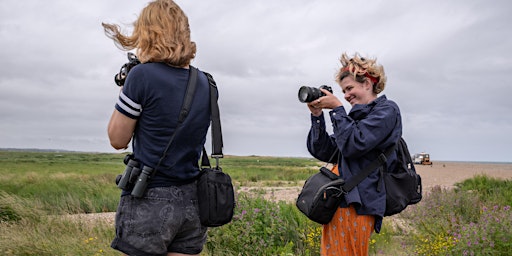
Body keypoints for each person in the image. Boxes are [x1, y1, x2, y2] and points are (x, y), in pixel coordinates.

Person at [103, 1, 213, 255]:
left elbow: (117, 139)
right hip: (193, 201)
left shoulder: (141, 76)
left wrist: (126, 89)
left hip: (149, 198)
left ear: (148, 32)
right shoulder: (207, 83)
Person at [306, 52, 402, 255]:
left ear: (367, 83)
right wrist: (317, 117)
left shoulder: (387, 111)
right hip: (341, 201)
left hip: (359, 204)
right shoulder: (354, 119)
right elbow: (324, 150)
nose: (346, 95)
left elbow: (354, 144)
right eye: (343, 91)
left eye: (349, 88)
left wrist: (338, 109)